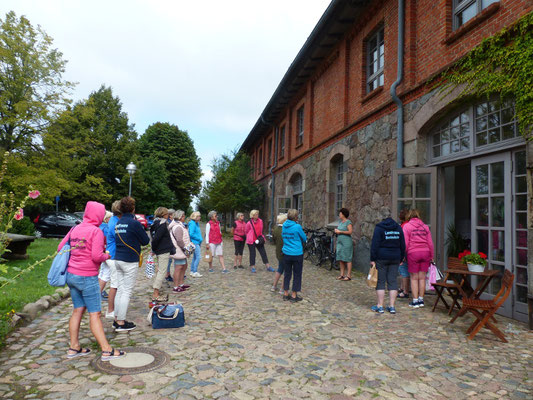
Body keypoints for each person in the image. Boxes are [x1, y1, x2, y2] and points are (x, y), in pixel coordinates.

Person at [58, 201, 125, 361]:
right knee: (95, 313)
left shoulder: (75, 228)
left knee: (77, 310)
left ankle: (74, 347)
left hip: (71, 275)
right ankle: (107, 350)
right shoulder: (95, 231)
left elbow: (61, 247)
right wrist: (106, 255)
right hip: (87, 277)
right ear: (98, 215)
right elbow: (96, 256)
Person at [114, 196, 150, 331]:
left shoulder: (119, 223)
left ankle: (117, 319)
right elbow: (145, 241)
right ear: (133, 208)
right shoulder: (134, 223)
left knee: (120, 290)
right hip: (129, 260)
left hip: (118, 258)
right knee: (126, 292)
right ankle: (121, 322)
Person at [370, 209, 406, 314]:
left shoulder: (379, 228)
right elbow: (402, 244)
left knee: (381, 281)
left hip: (382, 257)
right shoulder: (398, 228)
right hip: (395, 257)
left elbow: (375, 245)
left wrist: (372, 259)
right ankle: (392, 306)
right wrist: (401, 258)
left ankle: (380, 306)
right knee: (393, 281)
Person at [403, 209, 434, 309]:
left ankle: (415, 301)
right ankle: (421, 300)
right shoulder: (425, 227)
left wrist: (404, 255)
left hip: (413, 253)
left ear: (409, 216)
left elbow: (406, 243)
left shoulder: (407, 226)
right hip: (425, 253)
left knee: (414, 278)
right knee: (422, 278)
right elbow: (430, 243)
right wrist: (431, 256)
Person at [150, 207, 175, 302]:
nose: (168, 215)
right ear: (164, 214)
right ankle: (155, 293)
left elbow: (153, 237)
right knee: (162, 271)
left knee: (160, 270)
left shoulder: (154, 223)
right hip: (162, 250)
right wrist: (155, 248)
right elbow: (156, 238)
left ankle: (156, 290)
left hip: (159, 250)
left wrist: (154, 249)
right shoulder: (162, 224)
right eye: (167, 214)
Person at [281, 209, 306, 302]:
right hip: (296, 253)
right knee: (297, 274)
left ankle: (286, 293)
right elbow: (304, 238)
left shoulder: (284, 226)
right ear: (296, 217)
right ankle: (294, 295)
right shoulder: (297, 227)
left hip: (286, 253)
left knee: (287, 273)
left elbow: (283, 236)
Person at [104, 201, 121, 319]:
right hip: (114, 256)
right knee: (115, 285)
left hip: (113, 254)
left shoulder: (114, 220)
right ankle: (111, 310)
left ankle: (113, 308)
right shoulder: (115, 222)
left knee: (115, 284)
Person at [169, 210, 193, 291]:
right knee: (178, 268)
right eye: (183, 216)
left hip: (181, 250)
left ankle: (181, 283)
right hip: (180, 250)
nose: (184, 217)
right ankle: (176, 286)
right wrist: (185, 249)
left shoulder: (180, 225)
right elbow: (179, 240)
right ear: (180, 217)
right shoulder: (178, 227)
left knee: (184, 266)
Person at [334, 208, 353, 281]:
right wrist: (336, 231)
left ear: (343, 214)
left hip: (346, 242)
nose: (339, 214)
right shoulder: (341, 222)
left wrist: (340, 232)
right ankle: (341, 274)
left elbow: (350, 231)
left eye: (340, 213)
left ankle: (348, 275)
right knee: (341, 258)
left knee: (347, 258)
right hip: (340, 242)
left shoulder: (348, 222)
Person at [98, 211, 113, 298]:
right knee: (106, 274)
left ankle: (98, 292)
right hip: (108, 253)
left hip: (103, 252)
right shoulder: (107, 228)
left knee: (102, 272)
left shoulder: (101, 227)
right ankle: (98, 294)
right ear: (107, 219)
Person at [271, 213, 287, 293]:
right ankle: (282, 288)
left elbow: (273, 240)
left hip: (278, 251)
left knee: (280, 269)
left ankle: (274, 286)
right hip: (285, 251)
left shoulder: (275, 228)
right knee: (286, 270)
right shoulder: (284, 229)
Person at [397, 209, 410, 299]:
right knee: (403, 270)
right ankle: (402, 288)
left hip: (404, 250)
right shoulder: (407, 225)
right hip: (408, 250)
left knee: (403, 270)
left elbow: (403, 241)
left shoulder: (404, 226)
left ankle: (405, 291)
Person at [188, 211, 203, 277]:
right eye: (199, 216)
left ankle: (192, 271)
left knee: (195, 257)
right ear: (195, 217)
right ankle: (195, 271)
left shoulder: (196, 223)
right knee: (198, 257)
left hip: (197, 242)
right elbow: (191, 234)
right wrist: (199, 239)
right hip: (195, 242)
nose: (200, 217)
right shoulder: (192, 223)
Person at [165, 208, 176, 282]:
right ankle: (167, 275)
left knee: (171, 260)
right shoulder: (168, 223)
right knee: (168, 260)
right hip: (168, 243)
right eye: (174, 214)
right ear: (170, 216)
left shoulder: (171, 222)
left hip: (172, 243)